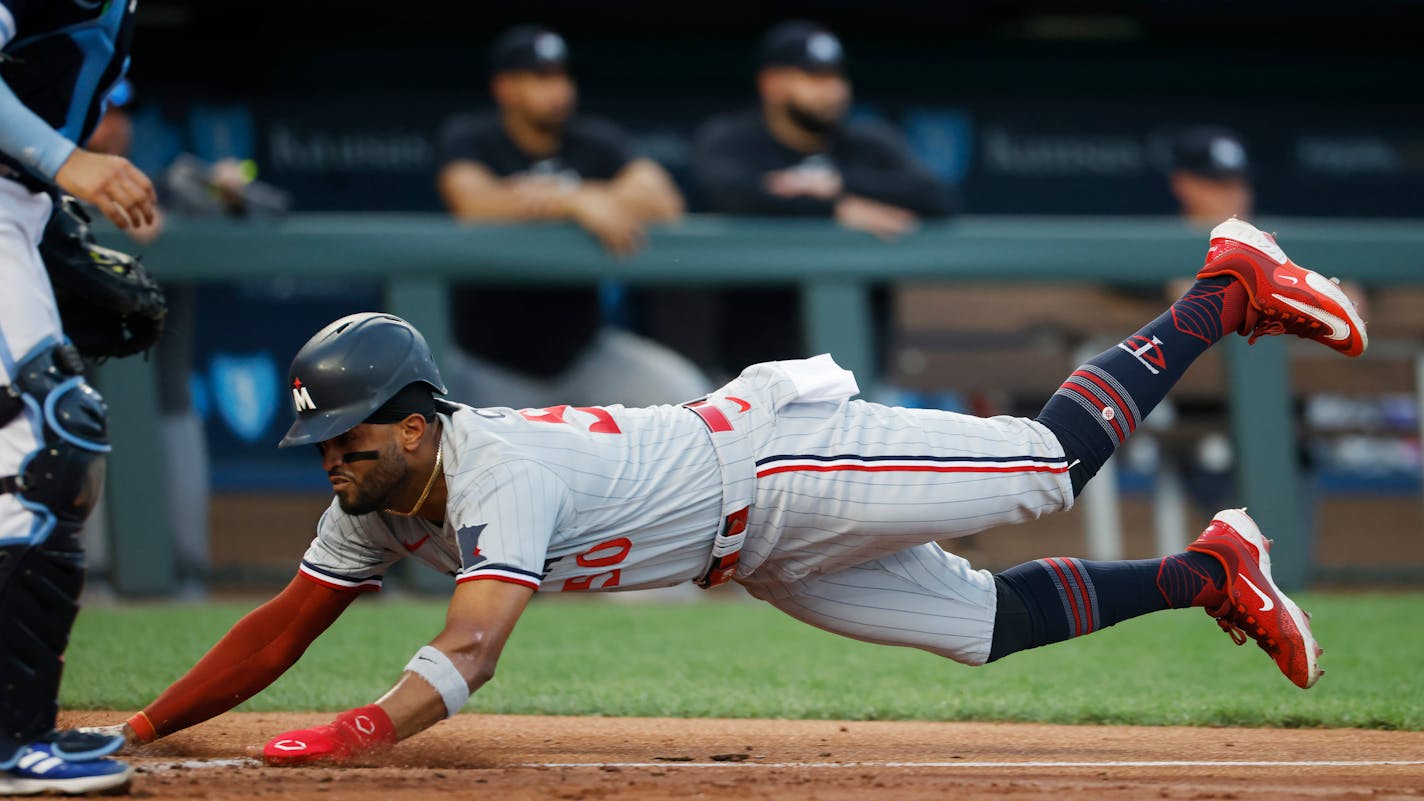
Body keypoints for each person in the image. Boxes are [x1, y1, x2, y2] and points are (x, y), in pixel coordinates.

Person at [97, 219, 1365, 765]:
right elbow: (283, 622)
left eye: (354, 437)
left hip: (770, 467)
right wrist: (148, 729)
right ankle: (1212, 571)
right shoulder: (377, 501)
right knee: (979, 629)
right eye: (325, 444)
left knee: (1041, 468)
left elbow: (472, 649)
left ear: (418, 422)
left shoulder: (497, 468)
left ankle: (1223, 288)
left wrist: (367, 726)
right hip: (750, 552)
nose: (336, 458)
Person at [1, 0, 154, 793]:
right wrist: (68, 161)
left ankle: (17, 717)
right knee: (48, 442)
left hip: (16, 210)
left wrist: (47, 214)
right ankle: (8, 735)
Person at [435, 24, 708, 410]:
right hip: (490, 360)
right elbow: (473, 204)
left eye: (561, 77)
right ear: (505, 87)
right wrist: (571, 202)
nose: (557, 90)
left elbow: (665, 202)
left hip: (583, 353)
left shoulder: (593, 141)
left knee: (681, 392)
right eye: (540, 78)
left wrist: (575, 194)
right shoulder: (473, 136)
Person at [689, 20, 955, 374]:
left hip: (858, 365)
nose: (831, 90)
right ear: (771, 84)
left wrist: (835, 185)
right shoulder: (733, 140)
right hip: (752, 363)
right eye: (813, 77)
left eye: (835, 77)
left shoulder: (868, 146)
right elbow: (729, 193)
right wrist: (835, 210)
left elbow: (937, 199)